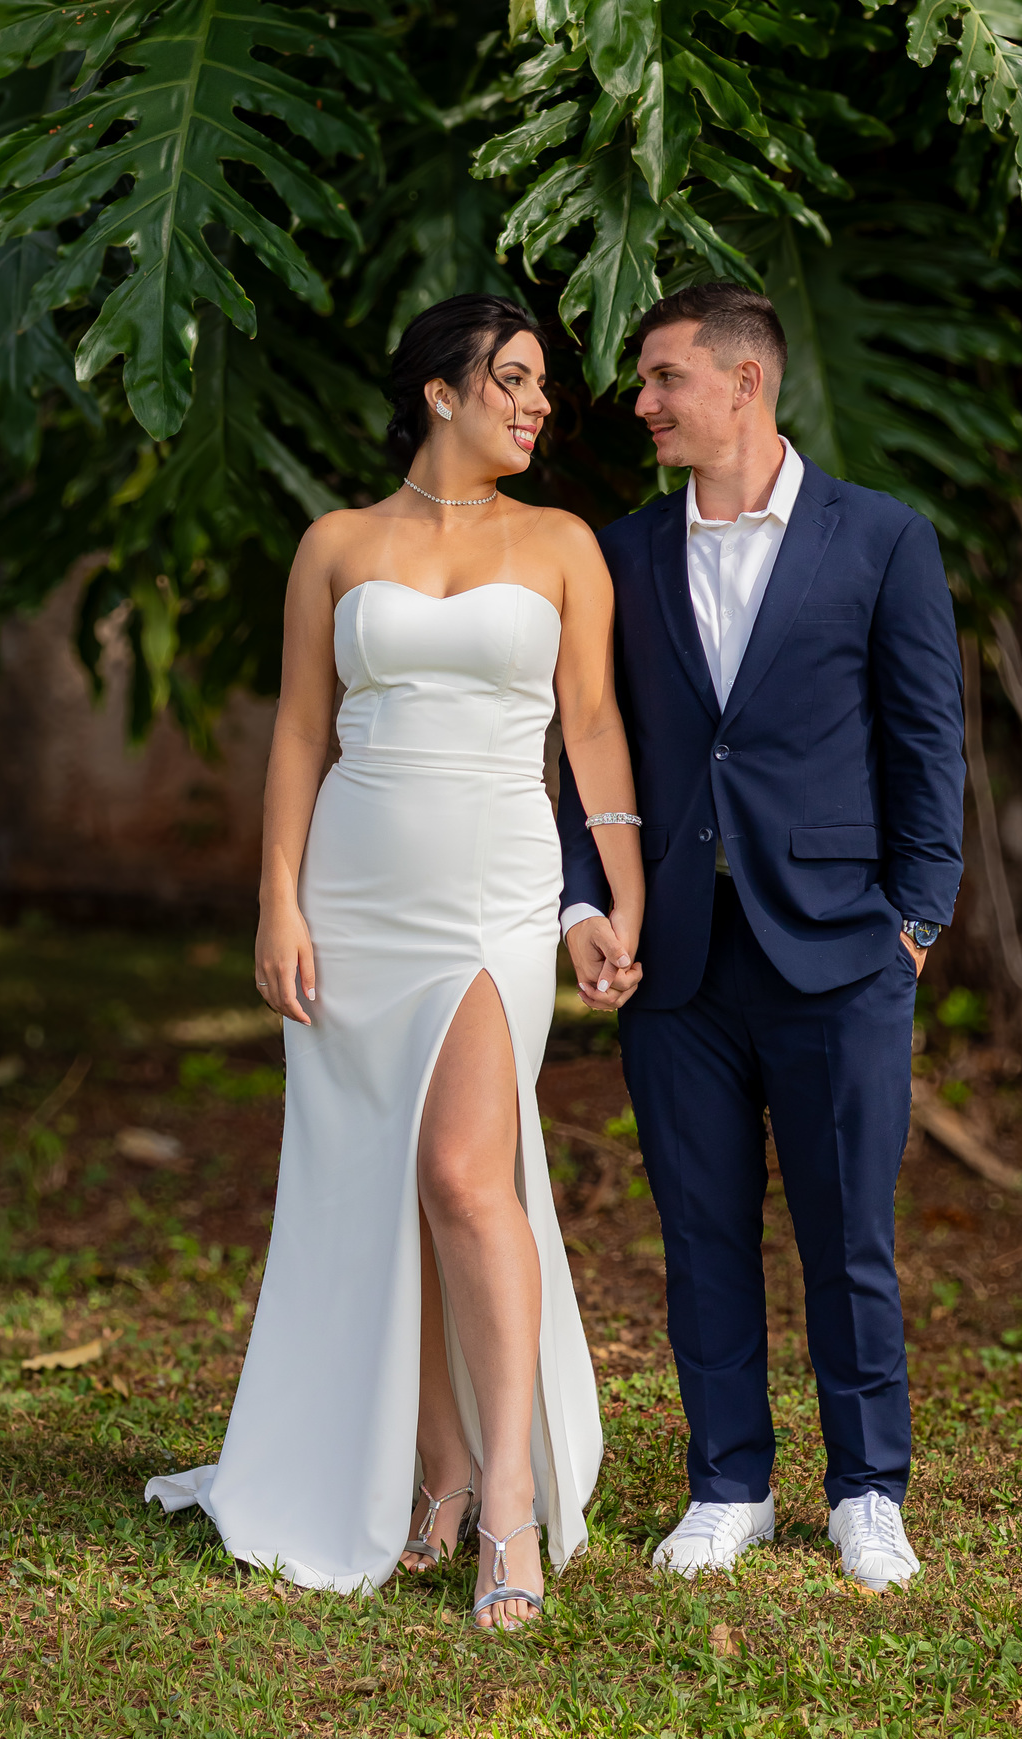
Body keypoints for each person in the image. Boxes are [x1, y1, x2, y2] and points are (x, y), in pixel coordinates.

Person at [146, 294, 645, 1630]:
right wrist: (279, 904)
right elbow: (300, 733)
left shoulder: (563, 544)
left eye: (541, 385)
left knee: (466, 1176)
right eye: (514, 379)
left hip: (494, 888)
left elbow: (593, 727)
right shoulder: (335, 543)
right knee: (389, 1182)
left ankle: (510, 1508)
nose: (538, 404)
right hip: (356, 892)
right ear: (441, 391)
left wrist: (617, 893)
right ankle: (438, 1473)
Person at [559, 283, 965, 1593]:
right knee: (701, 1233)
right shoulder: (621, 555)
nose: (641, 401)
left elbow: (927, 743)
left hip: (844, 951)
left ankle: (868, 1491)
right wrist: (585, 901)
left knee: (850, 1237)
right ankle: (729, 1482)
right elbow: (588, 749)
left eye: (663, 377)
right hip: (675, 958)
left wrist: (915, 922)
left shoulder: (883, 539)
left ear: (745, 383)